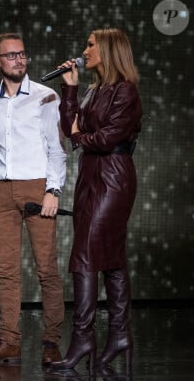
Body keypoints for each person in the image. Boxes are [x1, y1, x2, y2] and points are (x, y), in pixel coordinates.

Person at [50, 28, 141, 374]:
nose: (84, 51)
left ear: (107, 49)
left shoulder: (126, 92)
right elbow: (70, 125)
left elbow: (105, 137)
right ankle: (119, 335)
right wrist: (70, 89)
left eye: (90, 45)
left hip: (114, 177)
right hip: (91, 175)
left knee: (86, 255)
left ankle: (83, 337)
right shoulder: (94, 89)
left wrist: (78, 135)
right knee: (112, 259)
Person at [0, 33, 67, 366]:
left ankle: (52, 342)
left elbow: (57, 149)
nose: (18, 60)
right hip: (1, 190)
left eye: (22, 54)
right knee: (7, 272)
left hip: (37, 187)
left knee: (46, 270)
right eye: (10, 56)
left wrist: (53, 190)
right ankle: (9, 343)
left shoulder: (46, 96)